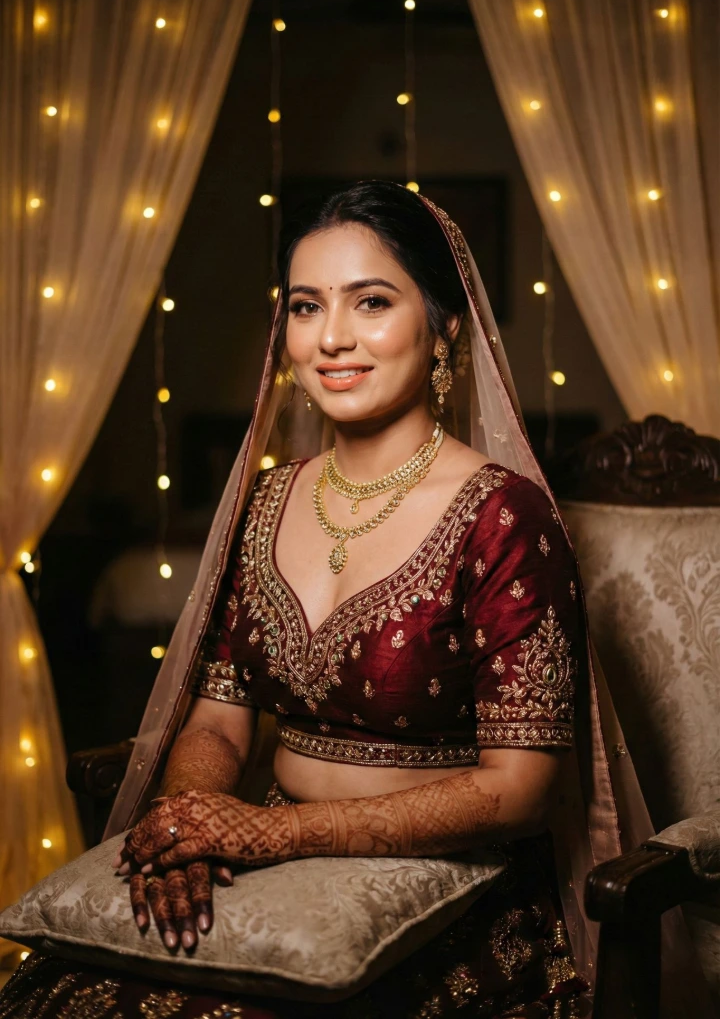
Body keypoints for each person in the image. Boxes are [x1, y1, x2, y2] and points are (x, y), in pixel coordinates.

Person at [0, 182, 674, 1017]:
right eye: (306, 305)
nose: (332, 338)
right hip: (269, 866)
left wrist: (272, 831)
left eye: (372, 301)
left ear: (444, 327)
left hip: (456, 893)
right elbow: (217, 722)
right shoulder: (266, 501)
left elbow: (520, 788)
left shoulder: (504, 516)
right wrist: (189, 822)